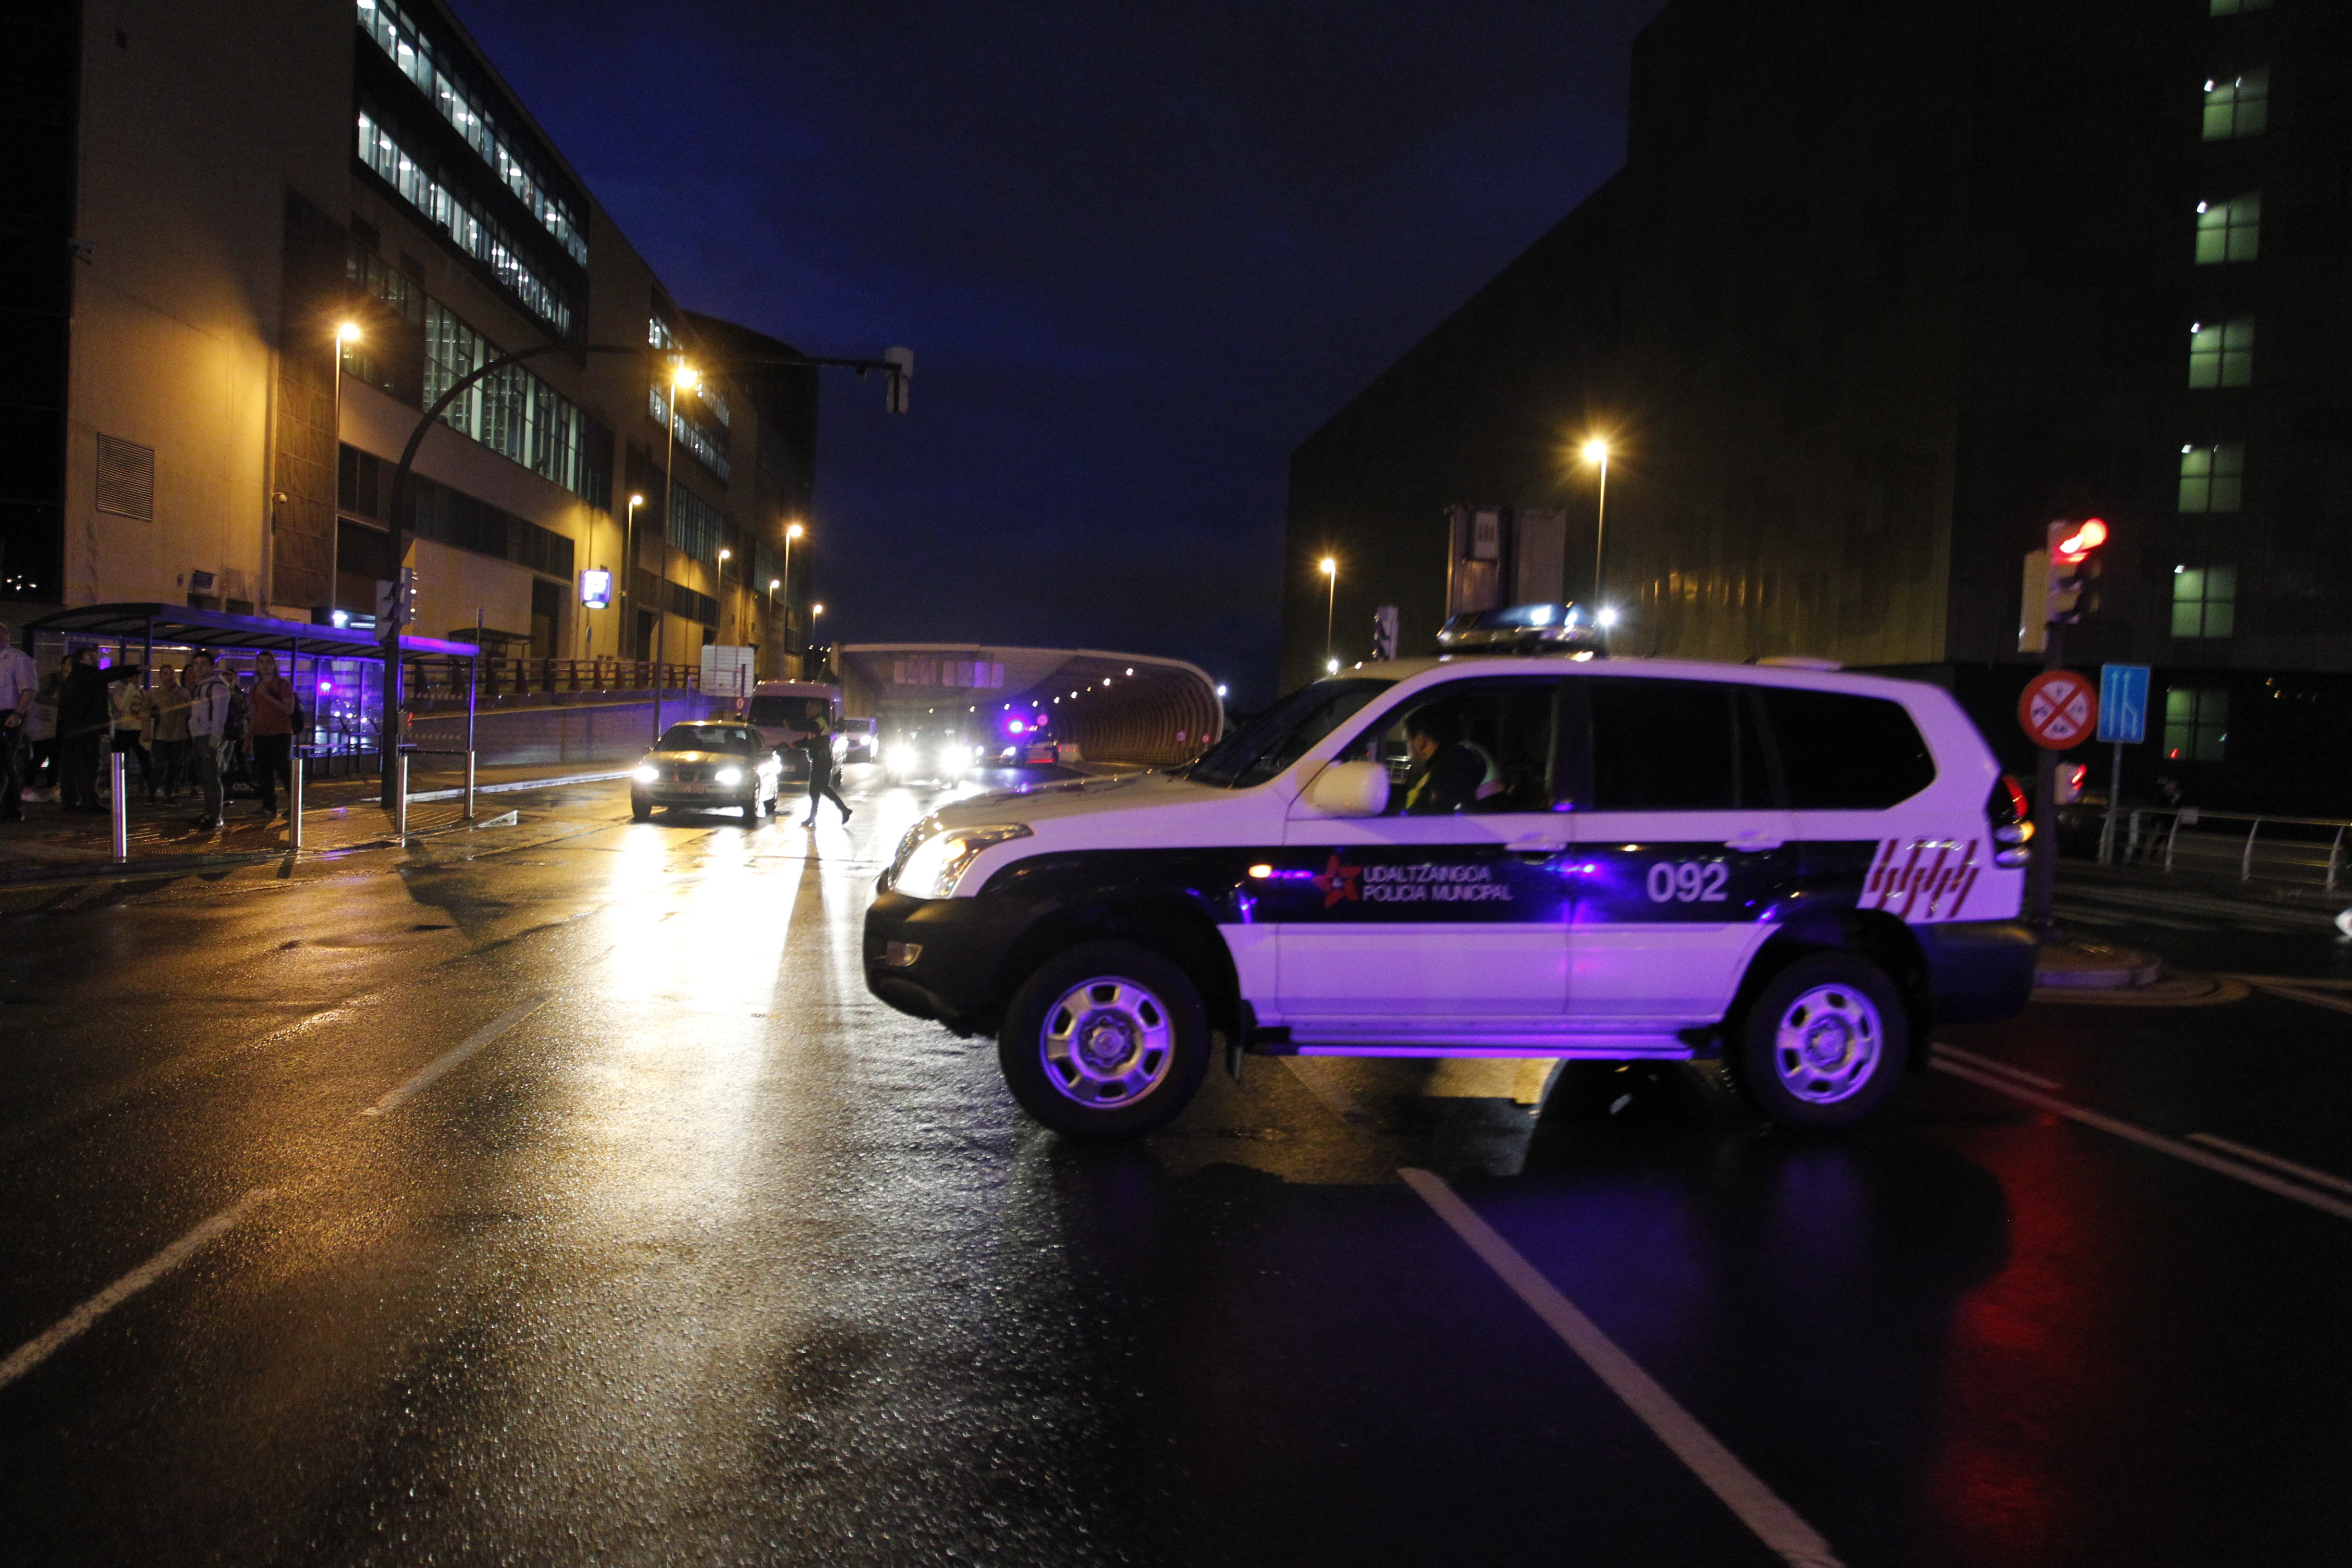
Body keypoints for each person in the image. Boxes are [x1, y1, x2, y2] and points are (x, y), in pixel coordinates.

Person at [1397, 704, 1499, 815]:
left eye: (1407, 743)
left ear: (1421, 740)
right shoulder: (1462, 756)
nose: (1408, 754)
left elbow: (1428, 813)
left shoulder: (1460, 760)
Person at [54, 648, 118, 814]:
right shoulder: (89, 677)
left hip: (71, 731)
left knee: (72, 766)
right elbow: (109, 674)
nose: (95, 661)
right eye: (91, 658)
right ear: (82, 661)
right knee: (89, 765)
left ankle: (70, 801)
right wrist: (136, 668)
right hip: (87, 730)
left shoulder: (70, 682)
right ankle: (89, 801)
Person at [184, 652, 233, 830]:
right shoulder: (200, 686)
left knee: (212, 778)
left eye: (203, 664)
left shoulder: (217, 687)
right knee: (205, 778)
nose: (199, 667)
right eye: (196, 663)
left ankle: (216, 816)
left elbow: (220, 715)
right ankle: (209, 813)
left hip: (208, 738)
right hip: (199, 737)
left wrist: (215, 739)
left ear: (212, 666)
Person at [247, 653, 297, 817]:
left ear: (274, 665)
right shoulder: (255, 689)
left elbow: (288, 709)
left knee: (284, 770)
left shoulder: (282, 685)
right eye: (261, 662)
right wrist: (248, 738)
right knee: (264, 772)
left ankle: (296, 804)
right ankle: (269, 807)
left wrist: (267, 696)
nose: (264, 666)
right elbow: (254, 715)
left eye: (268, 662)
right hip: (262, 734)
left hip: (280, 733)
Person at [0, 622, 36, 821]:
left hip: (9, 714)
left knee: (5, 761)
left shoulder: (17, 659)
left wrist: (17, 714)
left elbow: (28, 689)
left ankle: (13, 808)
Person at [108, 663, 154, 801]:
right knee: (123, 762)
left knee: (145, 759)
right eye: (133, 676)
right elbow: (121, 706)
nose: (136, 679)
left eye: (137, 677)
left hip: (137, 729)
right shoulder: (118, 691)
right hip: (122, 730)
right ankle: (120, 788)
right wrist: (130, 688)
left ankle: (150, 787)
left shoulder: (142, 692)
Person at [151, 665, 192, 801]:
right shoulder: (154, 694)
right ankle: (152, 793)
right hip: (161, 735)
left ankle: (169, 794)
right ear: (161, 676)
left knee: (174, 766)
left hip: (178, 734)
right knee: (160, 765)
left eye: (172, 673)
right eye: (166, 674)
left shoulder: (183, 693)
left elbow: (187, 712)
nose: (169, 676)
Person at [801, 715, 851, 826]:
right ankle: (813, 817)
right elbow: (809, 742)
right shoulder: (818, 725)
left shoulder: (818, 724)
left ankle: (844, 810)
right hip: (821, 761)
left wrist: (798, 744)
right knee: (816, 790)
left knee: (821, 789)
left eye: (809, 709)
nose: (807, 712)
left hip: (822, 761)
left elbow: (813, 743)